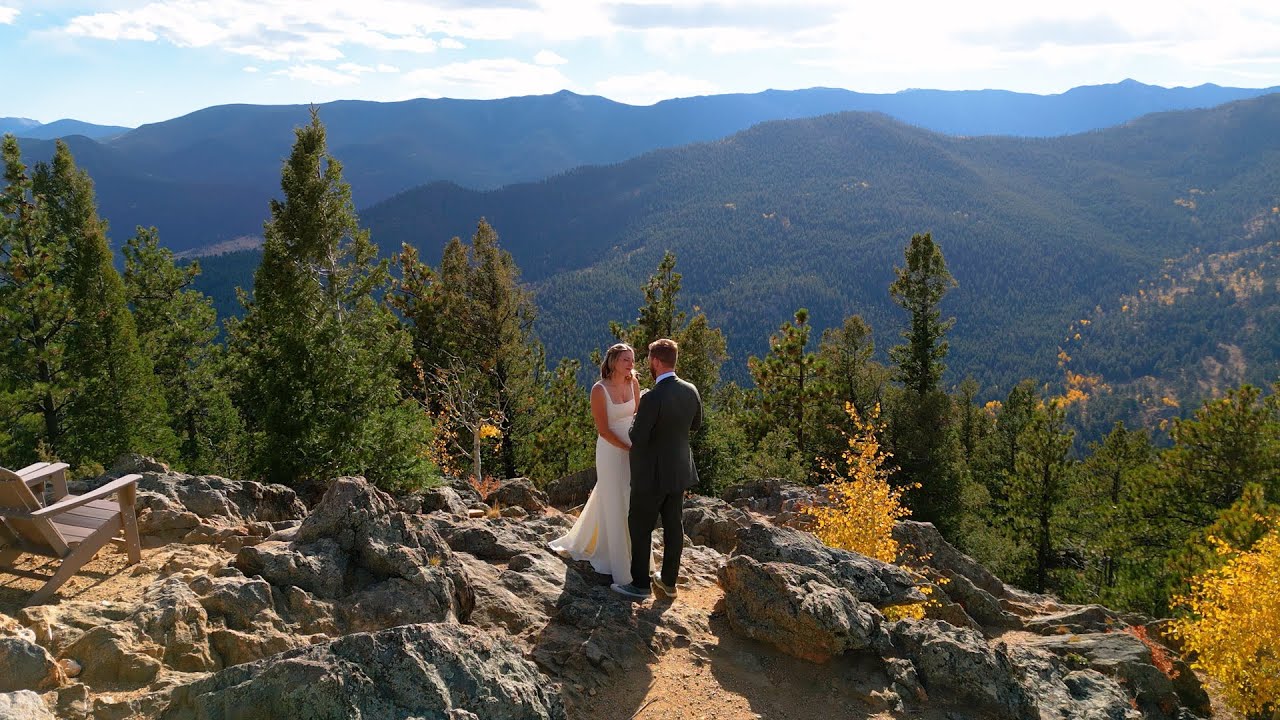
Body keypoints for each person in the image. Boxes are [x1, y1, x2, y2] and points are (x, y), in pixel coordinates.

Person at [612, 338, 702, 601]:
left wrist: (631, 426)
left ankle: (640, 584)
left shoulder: (652, 396)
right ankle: (669, 583)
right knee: (674, 526)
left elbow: (637, 437)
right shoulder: (690, 390)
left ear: (655, 361)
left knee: (640, 525)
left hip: (650, 473)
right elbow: (695, 425)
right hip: (679, 470)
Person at [547, 343, 644, 586]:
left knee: (630, 500)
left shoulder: (634, 383)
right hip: (612, 451)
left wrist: (640, 446)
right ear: (613, 362)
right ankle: (616, 562)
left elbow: (638, 417)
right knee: (613, 498)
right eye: (625, 359)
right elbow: (604, 430)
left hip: (633, 448)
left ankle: (634, 555)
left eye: (632, 359)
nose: (631, 364)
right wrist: (629, 447)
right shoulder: (599, 390)